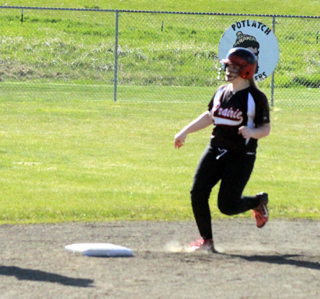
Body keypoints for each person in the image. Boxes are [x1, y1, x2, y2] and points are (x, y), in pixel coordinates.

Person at [174, 47, 270, 253]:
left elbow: (266, 129)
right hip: (215, 149)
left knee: (226, 206)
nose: (228, 70)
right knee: (197, 192)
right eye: (227, 66)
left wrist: (252, 132)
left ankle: (258, 202)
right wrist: (185, 131)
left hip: (240, 156)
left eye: (234, 67)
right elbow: (210, 116)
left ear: (246, 71)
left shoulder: (255, 97)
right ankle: (206, 240)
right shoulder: (221, 91)